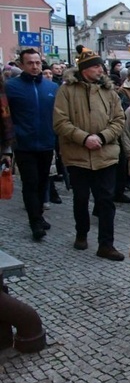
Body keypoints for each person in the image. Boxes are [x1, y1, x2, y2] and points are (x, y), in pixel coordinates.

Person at [53, 48, 126, 261]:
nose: (100, 70)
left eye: (101, 66)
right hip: (78, 155)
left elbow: (119, 120)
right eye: (96, 66)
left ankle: (106, 244)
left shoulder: (109, 92)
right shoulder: (66, 91)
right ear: (84, 69)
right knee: (81, 198)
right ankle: (81, 233)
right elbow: (60, 122)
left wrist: (102, 137)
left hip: (105, 155)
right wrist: (84, 138)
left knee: (106, 201)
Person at [4, 49, 58, 240]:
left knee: (43, 182)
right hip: (24, 144)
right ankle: (34, 222)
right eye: (30, 63)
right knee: (30, 183)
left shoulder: (51, 88)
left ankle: (39, 216)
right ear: (21, 65)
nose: (35, 66)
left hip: (46, 142)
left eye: (37, 63)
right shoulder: (11, 87)